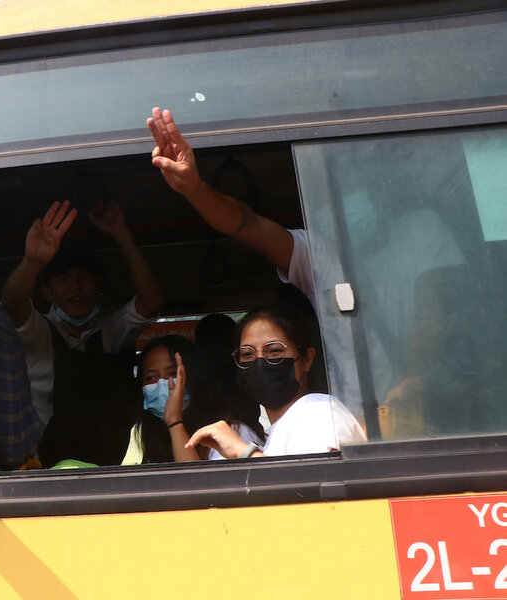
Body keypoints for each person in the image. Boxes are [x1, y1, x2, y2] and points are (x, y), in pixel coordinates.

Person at [147, 106, 463, 428]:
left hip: (425, 405)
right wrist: (194, 189)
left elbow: (431, 318)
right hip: (353, 421)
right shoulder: (321, 254)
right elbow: (247, 225)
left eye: (356, 186)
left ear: (380, 185)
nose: (347, 200)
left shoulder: (423, 229)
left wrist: (411, 383)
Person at [0, 199, 163, 466]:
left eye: (84, 276)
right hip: (42, 468)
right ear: (47, 292)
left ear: (98, 283)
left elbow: (151, 301)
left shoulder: (110, 332)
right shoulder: (39, 331)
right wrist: (32, 263)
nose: (76, 286)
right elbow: (12, 307)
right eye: (63, 280)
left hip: (107, 467)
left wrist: (122, 233)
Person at [186, 305, 366, 458]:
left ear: (307, 360)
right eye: (247, 354)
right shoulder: (283, 427)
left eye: (274, 351)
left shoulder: (317, 411)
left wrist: (242, 451)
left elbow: (310, 488)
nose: (259, 362)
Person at [121, 335, 263, 465]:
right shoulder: (156, 442)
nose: (164, 384)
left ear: (194, 377)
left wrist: (175, 422)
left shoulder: (231, 433)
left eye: (172, 373)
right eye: (151, 377)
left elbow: (196, 486)